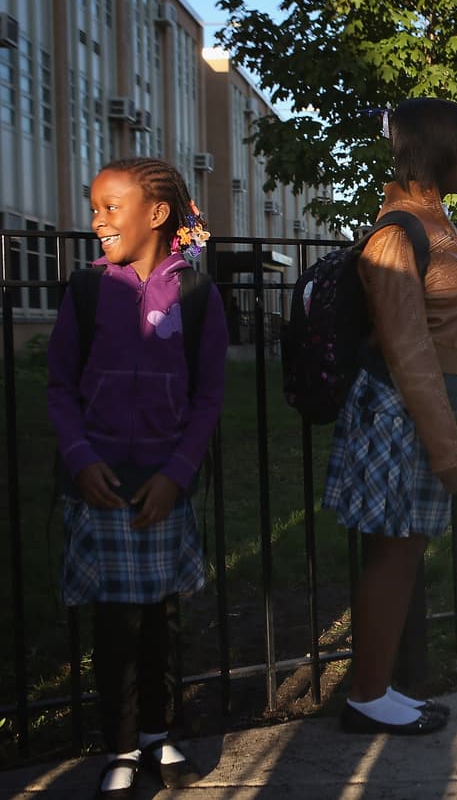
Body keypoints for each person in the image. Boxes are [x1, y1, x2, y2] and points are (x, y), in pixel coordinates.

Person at [46, 157, 227, 799]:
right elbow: (60, 386)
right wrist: (80, 456)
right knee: (114, 623)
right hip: (99, 483)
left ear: (156, 214)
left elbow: (209, 396)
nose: (98, 221)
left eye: (110, 208)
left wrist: (178, 474)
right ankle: (120, 744)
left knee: (160, 616)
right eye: (93, 208)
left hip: (162, 484)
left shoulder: (198, 294)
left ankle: (159, 732)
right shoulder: (89, 291)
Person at [321, 97, 457, 735]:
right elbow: (408, 348)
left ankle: (377, 686)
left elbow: (446, 340)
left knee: (404, 550)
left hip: (420, 408)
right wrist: (447, 445)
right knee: (393, 553)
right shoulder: (397, 232)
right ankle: (366, 694)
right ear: (441, 149)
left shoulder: (433, 221)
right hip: (399, 410)